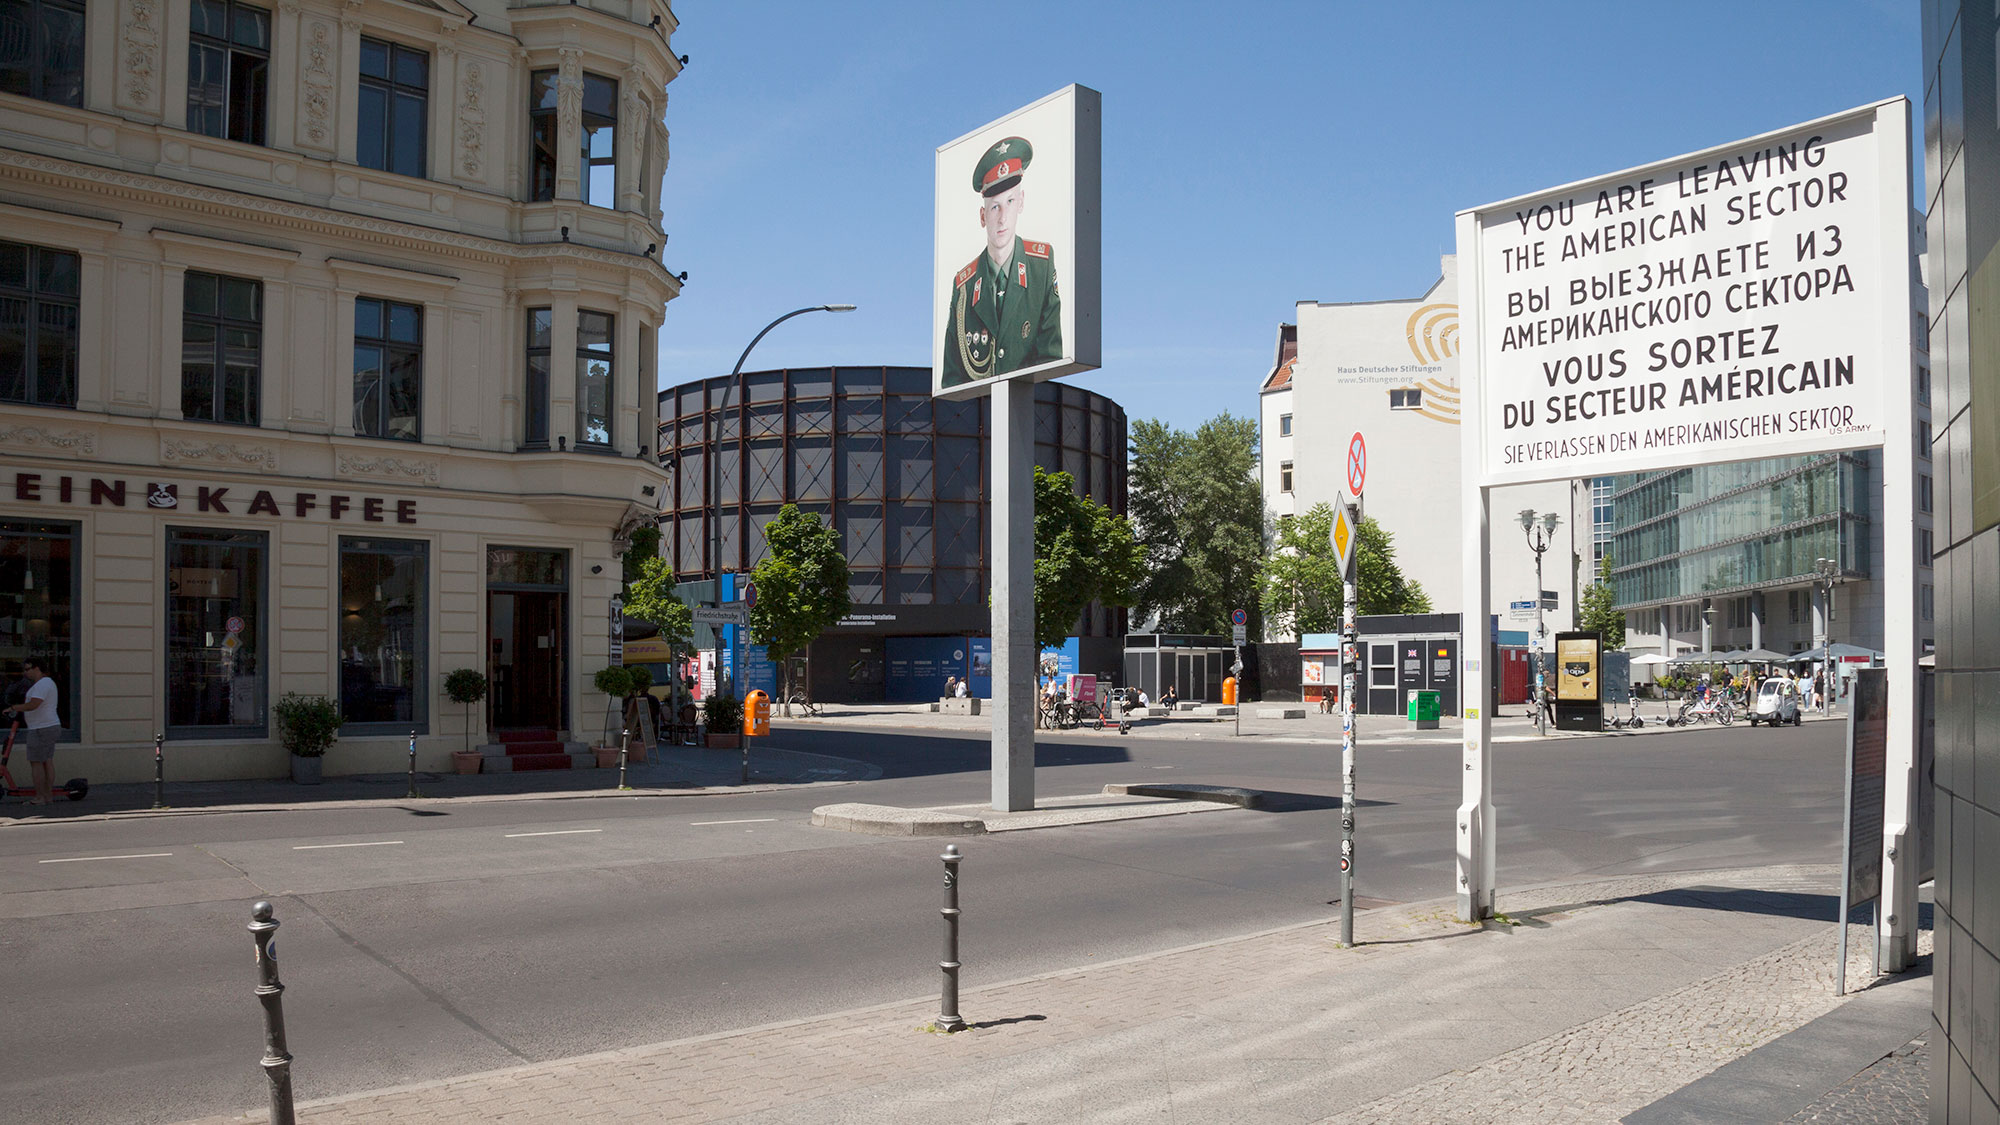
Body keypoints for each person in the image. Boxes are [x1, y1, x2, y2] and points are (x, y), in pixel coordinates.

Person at [940, 135, 1063, 389]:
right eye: (995, 207)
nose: (1003, 218)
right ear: (983, 216)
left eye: (1009, 202)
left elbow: (1051, 359)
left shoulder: (1040, 265)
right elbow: (952, 378)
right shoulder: (963, 286)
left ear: (1021, 203)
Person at [5, 657, 59, 806]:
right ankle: (47, 796)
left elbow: (34, 704)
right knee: (46, 761)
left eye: (28, 669)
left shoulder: (42, 684)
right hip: (47, 726)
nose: (25, 673)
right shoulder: (46, 683)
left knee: (36, 763)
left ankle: (40, 797)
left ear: (37, 668)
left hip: (41, 728)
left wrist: (14, 708)